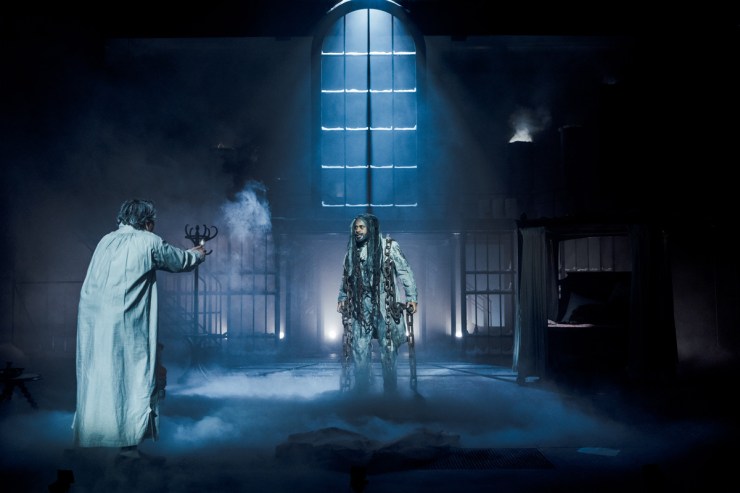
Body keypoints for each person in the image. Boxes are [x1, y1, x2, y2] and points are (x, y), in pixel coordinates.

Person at [72, 199, 206, 459]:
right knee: (131, 378)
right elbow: (179, 261)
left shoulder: (105, 240)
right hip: (125, 321)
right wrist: (197, 254)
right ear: (147, 222)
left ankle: (96, 441)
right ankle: (128, 448)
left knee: (98, 378)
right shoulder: (148, 241)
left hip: (93, 321)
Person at [337, 213, 418, 394]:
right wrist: (342, 298)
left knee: (388, 349)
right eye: (355, 227)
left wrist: (411, 297)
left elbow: (405, 272)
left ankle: (390, 391)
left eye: (361, 227)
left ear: (370, 229)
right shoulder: (352, 252)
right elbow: (346, 278)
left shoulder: (389, 247)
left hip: (385, 305)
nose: (357, 231)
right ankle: (361, 391)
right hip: (361, 306)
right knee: (359, 348)